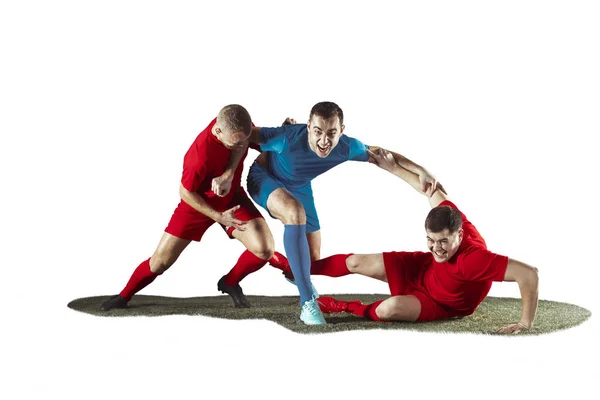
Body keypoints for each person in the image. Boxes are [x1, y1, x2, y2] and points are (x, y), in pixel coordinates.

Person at [277, 148, 539, 334]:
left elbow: (529, 274)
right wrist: (395, 167)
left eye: (443, 242)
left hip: (442, 304)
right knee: (354, 262)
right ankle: (296, 268)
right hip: (424, 270)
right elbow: (430, 188)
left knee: (389, 309)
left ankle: (344, 306)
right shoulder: (452, 218)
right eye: (431, 240)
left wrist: (525, 323)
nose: (436, 247)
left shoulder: (474, 260)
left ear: (459, 236)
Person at [244, 101, 441, 325]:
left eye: (332, 133)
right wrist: (227, 176)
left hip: (299, 185)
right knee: (294, 212)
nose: (324, 141)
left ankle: (293, 271)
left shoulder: (346, 147)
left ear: (342, 131)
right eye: (317, 131)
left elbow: (381, 154)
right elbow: (242, 134)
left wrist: (422, 171)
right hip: (264, 176)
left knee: (312, 260)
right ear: (308, 126)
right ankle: (307, 303)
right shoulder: (286, 136)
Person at [100, 104, 289, 311]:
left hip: (232, 199)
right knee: (160, 263)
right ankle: (123, 297)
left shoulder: (238, 128)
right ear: (218, 131)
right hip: (197, 205)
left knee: (264, 249)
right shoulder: (199, 155)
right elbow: (185, 192)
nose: (240, 145)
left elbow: (250, 142)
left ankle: (230, 282)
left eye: (243, 140)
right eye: (234, 143)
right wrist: (219, 217)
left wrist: (282, 134)